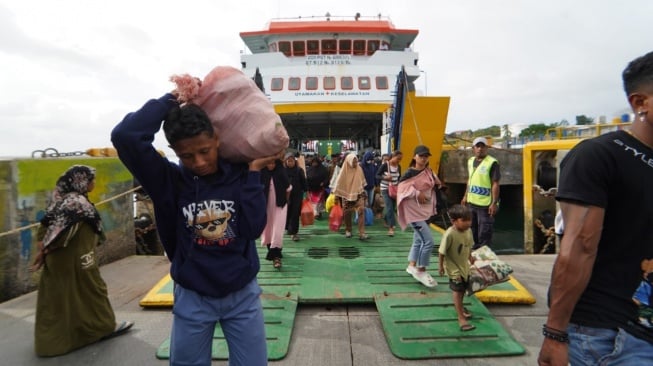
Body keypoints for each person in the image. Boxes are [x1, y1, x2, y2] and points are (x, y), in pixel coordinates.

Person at [111, 90, 279, 366]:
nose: (199, 162)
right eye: (187, 156)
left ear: (217, 139)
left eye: (204, 151)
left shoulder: (240, 175)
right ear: (175, 152)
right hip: (193, 296)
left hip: (242, 294)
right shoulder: (169, 182)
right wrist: (171, 101)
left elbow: (252, 229)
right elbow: (125, 136)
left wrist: (253, 174)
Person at [537, 51, 653, 366]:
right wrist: (555, 333)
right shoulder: (600, 156)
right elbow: (579, 247)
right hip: (608, 336)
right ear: (640, 102)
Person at [32, 165, 133, 357]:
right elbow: (61, 235)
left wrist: (43, 252)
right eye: (90, 179)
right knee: (93, 291)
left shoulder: (60, 200)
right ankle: (103, 328)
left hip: (59, 262)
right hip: (77, 260)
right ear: (80, 181)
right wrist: (48, 249)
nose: (93, 183)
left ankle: (52, 342)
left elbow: (45, 228)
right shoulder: (77, 204)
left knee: (58, 299)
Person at [397, 145, 442, 288]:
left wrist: (438, 184)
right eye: (421, 156)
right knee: (428, 241)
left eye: (426, 156)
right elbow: (401, 189)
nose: (423, 158)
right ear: (414, 157)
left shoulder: (429, 171)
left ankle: (411, 265)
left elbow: (435, 184)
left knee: (418, 240)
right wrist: (417, 192)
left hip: (425, 211)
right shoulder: (409, 173)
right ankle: (422, 270)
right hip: (413, 213)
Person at [438, 204, 475, 331]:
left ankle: (461, 308)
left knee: (463, 289)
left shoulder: (468, 231)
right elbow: (442, 252)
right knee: (457, 290)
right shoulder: (449, 234)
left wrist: (470, 257)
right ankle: (461, 318)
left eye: (469, 220)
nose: (468, 223)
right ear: (454, 221)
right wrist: (441, 267)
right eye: (464, 220)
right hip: (454, 268)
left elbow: (469, 245)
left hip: (464, 266)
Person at [461, 136, 500, 249]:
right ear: (473, 148)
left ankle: (484, 258)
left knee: (485, 233)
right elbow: (470, 180)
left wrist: (494, 203)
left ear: (487, 148)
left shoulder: (492, 163)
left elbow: (495, 183)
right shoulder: (470, 161)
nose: (480, 149)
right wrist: (465, 196)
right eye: (477, 146)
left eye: (483, 146)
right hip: (472, 202)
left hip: (485, 204)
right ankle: (474, 255)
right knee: (472, 230)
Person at [261, 158, 291, 268]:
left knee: (277, 230)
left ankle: (275, 257)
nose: (271, 165)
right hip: (266, 207)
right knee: (268, 230)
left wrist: (285, 201)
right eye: (268, 163)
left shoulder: (281, 173)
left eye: (273, 163)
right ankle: (274, 252)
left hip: (280, 206)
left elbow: (288, 188)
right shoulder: (262, 174)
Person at [333, 153, 369, 240]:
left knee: (361, 211)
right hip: (346, 195)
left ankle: (362, 233)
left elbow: (361, 182)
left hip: (358, 194)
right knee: (347, 213)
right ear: (348, 162)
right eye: (354, 162)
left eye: (356, 161)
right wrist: (336, 197)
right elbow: (339, 184)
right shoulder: (343, 171)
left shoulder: (359, 169)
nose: (355, 164)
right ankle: (348, 230)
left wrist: (364, 193)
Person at [376, 150, 403, 236]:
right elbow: (377, 175)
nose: (399, 161)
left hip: (395, 190)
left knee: (392, 207)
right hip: (385, 189)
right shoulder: (385, 165)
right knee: (390, 207)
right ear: (393, 156)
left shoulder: (399, 166)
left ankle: (386, 219)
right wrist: (385, 177)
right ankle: (391, 228)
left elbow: (399, 178)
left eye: (400, 159)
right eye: (398, 159)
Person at [284, 152, 307, 242]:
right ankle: (288, 228)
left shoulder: (299, 170)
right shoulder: (283, 171)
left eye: (292, 161)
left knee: (295, 213)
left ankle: (294, 233)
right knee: (287, 213)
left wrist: (306, 192)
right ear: (285, 162)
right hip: (285, 196)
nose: (290, 163)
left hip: (297, 195)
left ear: (295, 161)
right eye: (288, 161)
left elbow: (304, 182)